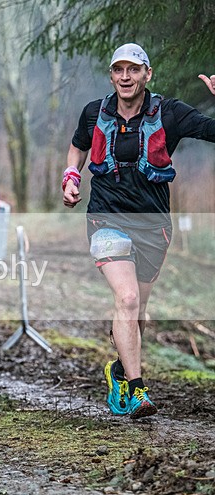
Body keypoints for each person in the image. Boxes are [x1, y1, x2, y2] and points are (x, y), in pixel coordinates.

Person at [62, 43, 215, 419]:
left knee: (138, 311)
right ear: (112, 75)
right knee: (127, 299)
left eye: (134, 70)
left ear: (148, 74)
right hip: (106, 217)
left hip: (153, 224)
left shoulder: (171, 113)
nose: (125, 77)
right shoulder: (94, 112)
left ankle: (117, 373)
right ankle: (137, 390)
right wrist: (70, 176)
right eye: (119, 70)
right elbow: (77, 148)